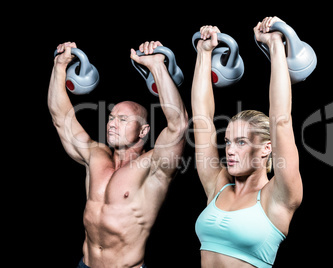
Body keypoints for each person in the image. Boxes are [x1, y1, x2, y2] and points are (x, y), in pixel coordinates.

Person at [48, 41, 188, 268]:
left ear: (143, 130)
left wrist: (156, 66)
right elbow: (60, 118)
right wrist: (59, 66)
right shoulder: (95, 155)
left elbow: (178, 125)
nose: (112, 124)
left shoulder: (153, 166)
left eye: (123, 120)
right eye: (112, 117)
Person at [192, 16, 303, 268]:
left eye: (241, 142)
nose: (229, 150)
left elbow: (281, 119)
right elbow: (201, 120)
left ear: (267, 148)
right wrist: (204, 52)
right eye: (228, 141)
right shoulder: (217, 185)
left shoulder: (278, 196)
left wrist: (275, 44)